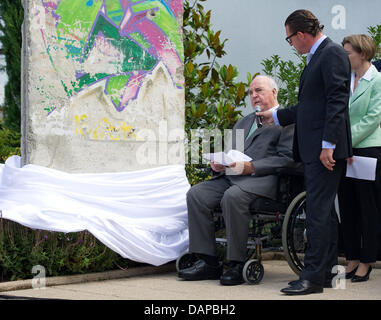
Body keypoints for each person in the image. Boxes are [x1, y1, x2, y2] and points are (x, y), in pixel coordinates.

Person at [257, 10, 352, 295]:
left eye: (289, 39)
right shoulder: (317, 57)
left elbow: (338, 100)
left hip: (324, 149)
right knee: (322, 213)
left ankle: (311, 278)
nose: (291, 45)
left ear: (301, 34)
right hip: (316, 147)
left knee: (318, 214)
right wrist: (275, 116)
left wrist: (329, 145)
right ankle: (324, 274)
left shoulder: (331, 53)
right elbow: (310, 108)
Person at [178, 75, 295, 286]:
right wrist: (220, 163)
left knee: (233, 197)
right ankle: (208, 261)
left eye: (258, 90)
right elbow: (232, 152)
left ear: (274, 92)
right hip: (232, 177)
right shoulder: (244, 121)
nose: (254, 96)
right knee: (196, 194)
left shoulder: (286, 121)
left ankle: (236, 262)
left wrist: (253, 167)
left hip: (264, 180)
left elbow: (286, 159)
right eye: (251, 93)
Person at [338, 34, 381, 283]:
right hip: (345, 151)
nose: (345, 58)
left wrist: (346, 141)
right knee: (347, 207)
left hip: (366, 150)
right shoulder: (345, 80)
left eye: (348, 53)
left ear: (362, 53)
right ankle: (352, 258)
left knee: (368, 208)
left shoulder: (377, 80)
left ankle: (367, 261)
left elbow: (373, 117)